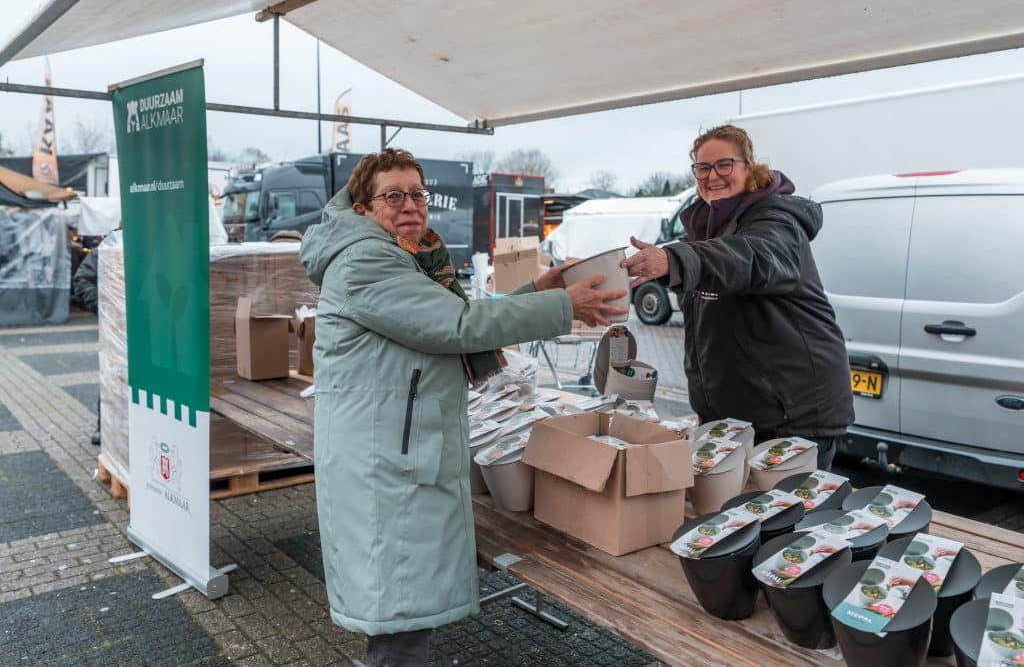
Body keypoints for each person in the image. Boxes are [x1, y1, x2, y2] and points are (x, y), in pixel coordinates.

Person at [299, 148, 626, 667]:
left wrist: (534, 289)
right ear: (361, 207)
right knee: (398, 619)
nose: (410, 205)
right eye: (392, 195)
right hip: (387, 462)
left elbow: (450, 315)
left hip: (392, 450)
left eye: (417, 194)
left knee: (401, 613)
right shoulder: (367, 259)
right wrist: (564, 306)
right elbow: (457, 328)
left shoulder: (391, 253)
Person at [622, 124, 853, 470]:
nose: (712, 176)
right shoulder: (707, 229)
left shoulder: (776, 220)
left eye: (724, 165)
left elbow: (749, 257)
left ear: (749, 167)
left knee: (786, 520)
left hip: (789, 418)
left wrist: (675, 259)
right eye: (702, 167)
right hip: (733, 419)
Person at [71, 248, 102, 445]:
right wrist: (104, 305)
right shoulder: (110, 247)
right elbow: (82, 280)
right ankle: (105, 426)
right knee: (115, 376)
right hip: (118, 327)